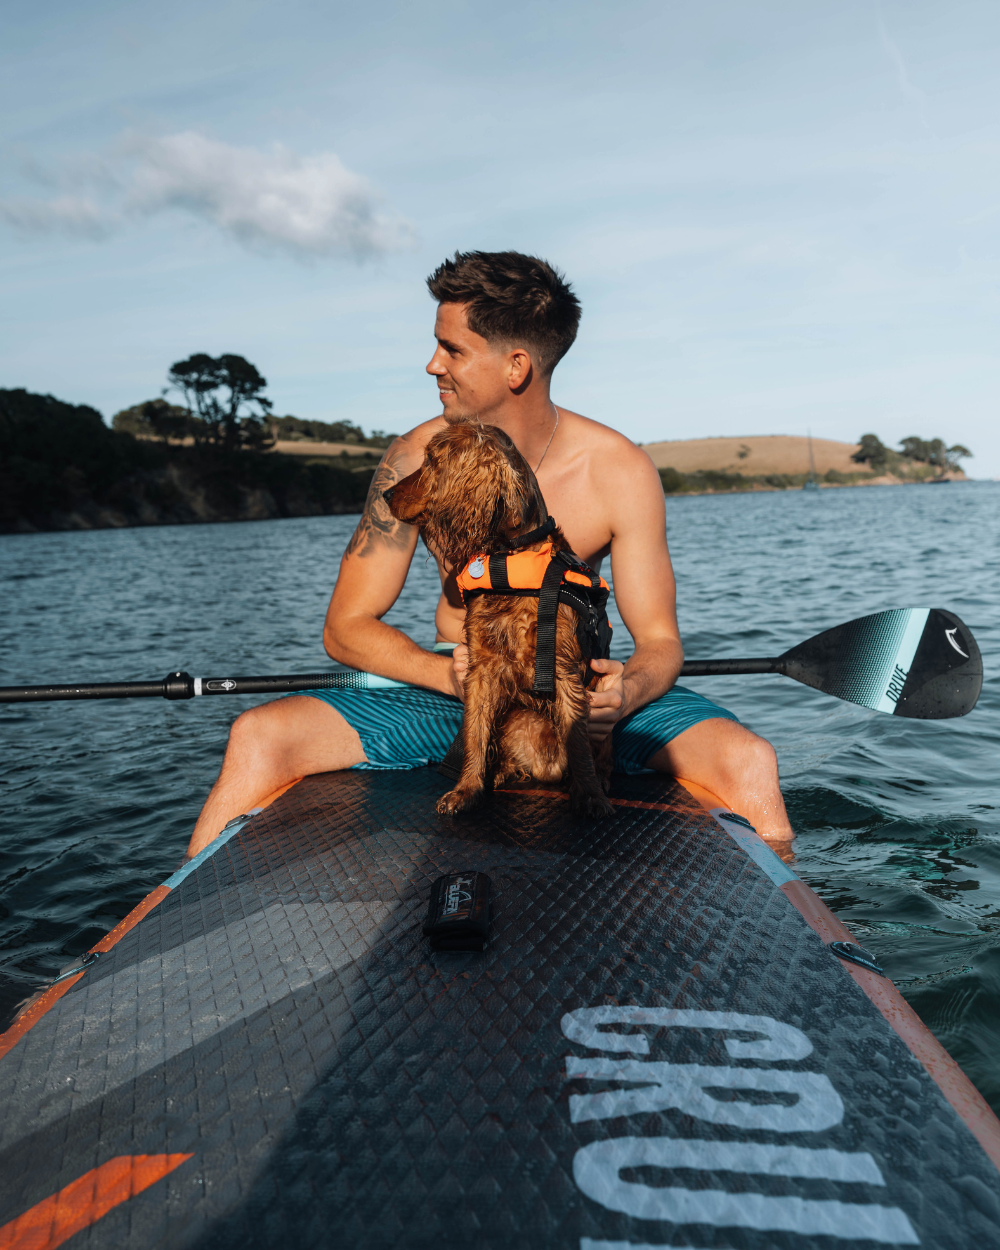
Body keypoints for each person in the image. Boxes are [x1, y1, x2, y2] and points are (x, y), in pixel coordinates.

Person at [186, 251, 793, 858]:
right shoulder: (415, 458)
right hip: (453, 691)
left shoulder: (619, 471)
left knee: (750, 760)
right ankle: (165, 929)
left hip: (578, 696)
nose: (432, 365)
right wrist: (447, 674)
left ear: (516, 366)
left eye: (452, 349)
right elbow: (345, 629)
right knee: (258, 736)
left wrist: (626, 692)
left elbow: (660, 641)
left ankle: (820, 946)